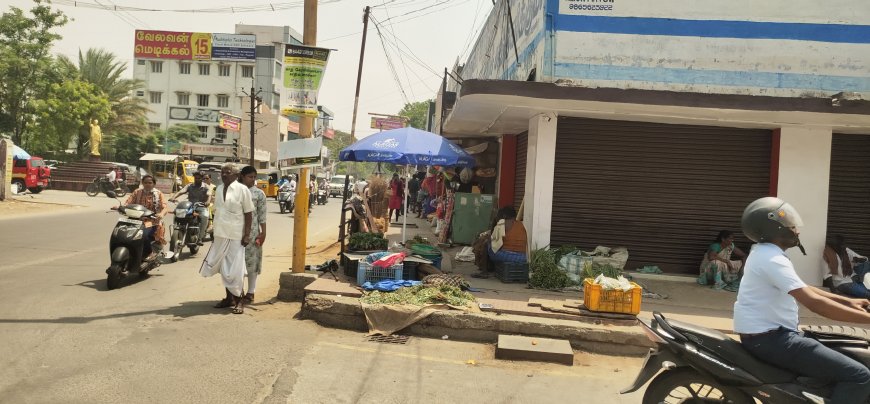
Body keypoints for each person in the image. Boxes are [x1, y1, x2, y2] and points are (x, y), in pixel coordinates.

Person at [734, 197, 870, 403]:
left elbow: (803, 288)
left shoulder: (765, 254)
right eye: (789, 223)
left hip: (772, 335)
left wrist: (848, 302)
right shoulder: (772, 260)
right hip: (772, 340)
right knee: (859, 376)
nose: (796, 229)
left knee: (852, 354)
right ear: (774, 227)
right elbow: (816, 305)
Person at [199, 163, 254, 315]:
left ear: (236, 175)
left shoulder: (242, 190)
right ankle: (228, 298)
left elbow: (249, 213)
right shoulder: (218, 188)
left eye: (227, 172)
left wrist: (247, 234)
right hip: (220, 233)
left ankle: (239, 300)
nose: (223, 175)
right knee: (224, 267)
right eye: (222, 172)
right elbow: (217, 211)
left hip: (236, 234)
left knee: (235, 269)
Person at [123, 175, 169, 260]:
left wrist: (161, 214)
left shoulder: (159, 194)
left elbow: (165, 207)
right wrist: (120, 207)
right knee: (123, 232)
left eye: (150, 183)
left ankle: (150, 252)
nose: (147, 184)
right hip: (135, 219)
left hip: (152, 221)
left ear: (154, 184)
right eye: (145, 182)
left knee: (143, 234)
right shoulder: (137, 192)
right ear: (142, 183)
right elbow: (128, 202)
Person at [239, 166, 267, 304]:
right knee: (237, 264)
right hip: (236, 232)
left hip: (253, 233)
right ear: (242, 177)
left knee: (252, 263)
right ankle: (237, 292)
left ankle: (251, 292)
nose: (253, 180)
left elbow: (262, 216)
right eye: (250, 177)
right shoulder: (236, 191)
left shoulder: (259, 194)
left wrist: (263, 233)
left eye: (254, 177)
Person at [169, 171, 212, 246]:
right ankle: (179, 229)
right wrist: (173, 197)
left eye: (199, 178)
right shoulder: (190, 185)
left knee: (204, 216)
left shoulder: (206, 187)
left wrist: (207, 202)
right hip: (190, 206)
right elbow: (181, 192)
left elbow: (209, 195)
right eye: (195, 178)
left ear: (202, 179)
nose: (197, 179)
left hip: (201, 206)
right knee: (178, 213)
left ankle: (200, 238)